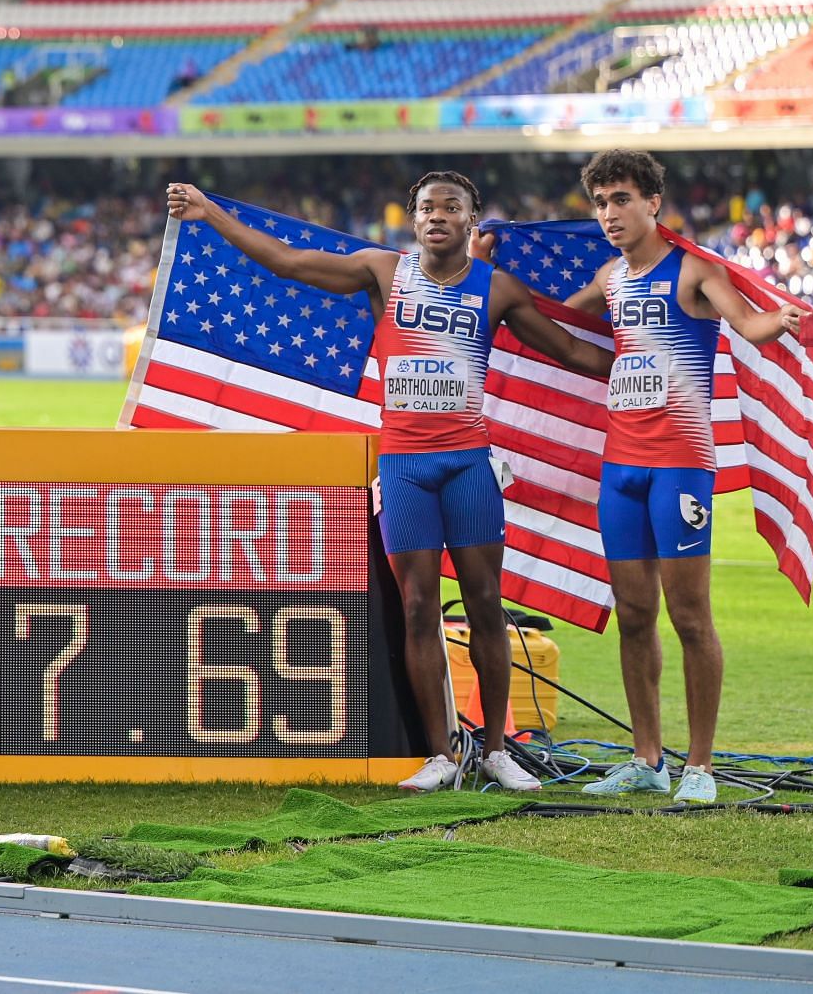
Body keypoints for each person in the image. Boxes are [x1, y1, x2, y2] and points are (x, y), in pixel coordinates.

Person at [167, 173, 614, 792]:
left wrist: (655, 357)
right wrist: (210, 212)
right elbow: (287, 262)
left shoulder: (498, 289)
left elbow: (572, 351)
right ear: (413, 220)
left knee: (486, 605)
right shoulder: (384, 272)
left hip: (466, 465)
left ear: (471, 220)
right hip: (404, 467)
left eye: (450, 207)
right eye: (427, 207)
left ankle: (494, 752)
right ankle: (438, 754)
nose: (437, 216)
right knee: (416, 609)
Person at [491, 149, 800, 805]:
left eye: (621, 198)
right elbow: (552, 325)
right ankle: (647, 758)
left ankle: (701, 766)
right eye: (600, 201)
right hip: (622, 466)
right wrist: (489, 275)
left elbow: (747, 323)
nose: (609, 213)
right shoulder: (610, 278)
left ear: (653, 202)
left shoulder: (694, 271)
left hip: (681, 465)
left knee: (690, 615)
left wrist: (781, 320)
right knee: (633, 613)